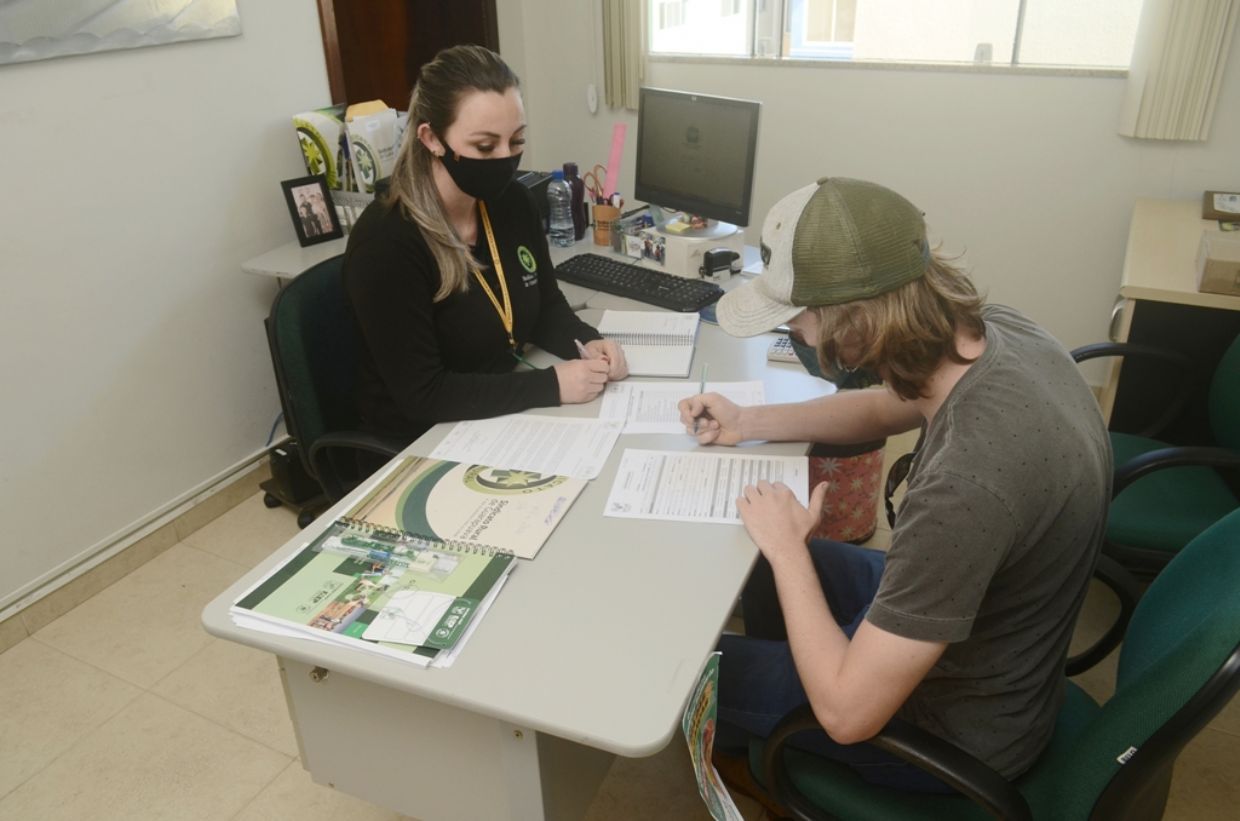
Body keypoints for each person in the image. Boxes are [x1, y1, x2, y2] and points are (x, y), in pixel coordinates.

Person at [678, 177, 1111, 795]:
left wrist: (790, 550)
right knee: (751, 565)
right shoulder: (1000, 334)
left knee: (684, 668)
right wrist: (748, 422)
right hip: (991, 638)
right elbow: (888, 407)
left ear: (853, 321)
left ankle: (783, 747)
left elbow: (848, 715)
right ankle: (777, 739)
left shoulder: (967, 485)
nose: (795, 334)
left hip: (954, 732)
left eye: (796, 318)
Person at [343, 45, 627, 445]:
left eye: (516, 141)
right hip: (423, 438)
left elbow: (545, 306)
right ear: (431, 138)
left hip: (497, 409)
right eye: (484, 146)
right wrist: (550, 386)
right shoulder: (386, 243)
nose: (505, 160)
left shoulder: (513, 203)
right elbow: (423, 395)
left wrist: (586, 342)